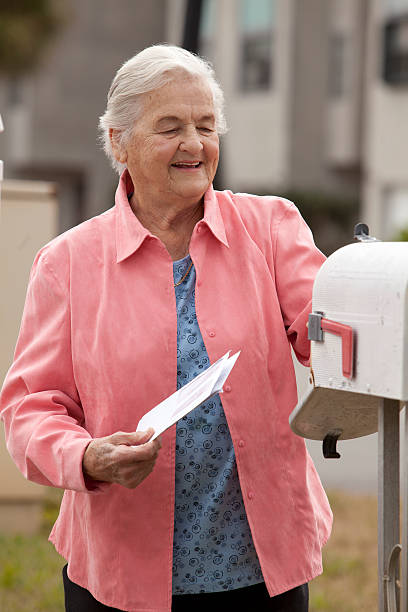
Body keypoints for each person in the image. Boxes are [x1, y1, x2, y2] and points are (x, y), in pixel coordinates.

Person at [0, 45, 332, 612]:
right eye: (170, 127)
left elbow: (330, 333)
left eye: (206, 126)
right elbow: (30, 407)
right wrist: (84, 456)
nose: (194, 144)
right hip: (119, 567)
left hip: (261, 565)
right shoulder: (67, 263)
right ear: (118, 142)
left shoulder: (272, 228)